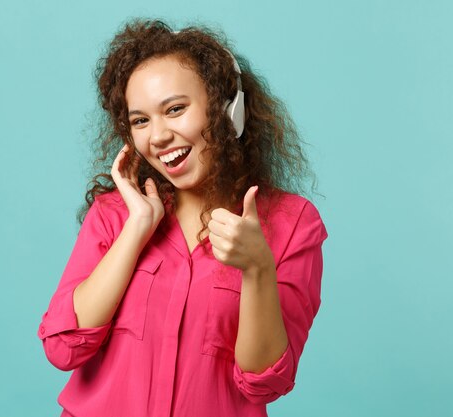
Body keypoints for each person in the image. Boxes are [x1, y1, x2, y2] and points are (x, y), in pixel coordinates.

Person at [38, 19, 328, 417]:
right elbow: (64, 347)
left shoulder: (292, 223)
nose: (157, 136)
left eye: (174, 110)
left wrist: (257, 268)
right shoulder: (114, 215)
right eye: (140, 120)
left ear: (229, 110)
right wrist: (137, 229)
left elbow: (265, 382)